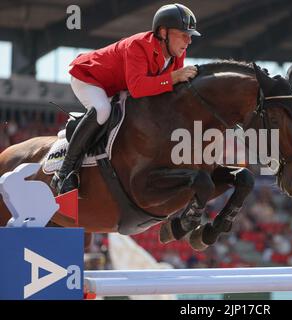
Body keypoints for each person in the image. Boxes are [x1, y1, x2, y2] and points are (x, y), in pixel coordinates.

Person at [51, 3, 200, 195]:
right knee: (103, 110)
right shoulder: (138, 46)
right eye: (183, 35)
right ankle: (64, 172)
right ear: (163, 32)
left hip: (119, 87)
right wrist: (172, 78)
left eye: (190, 36)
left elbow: (167, 92)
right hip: (89, 77)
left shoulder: (176, 54)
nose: (188, 41)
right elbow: (138, 88)